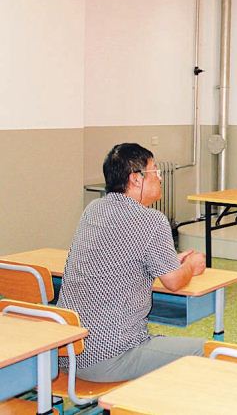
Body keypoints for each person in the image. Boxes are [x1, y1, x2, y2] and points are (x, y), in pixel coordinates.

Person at [57, 143, 207, 382]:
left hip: (66, 354)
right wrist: (191, 266)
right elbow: (174, 282)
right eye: (155, 171)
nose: (160, 178)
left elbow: (120, 256)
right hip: (110, 357)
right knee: (209, 352)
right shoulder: (152, 220)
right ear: (136, 179)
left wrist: (165, 261)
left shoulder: (93, 209)